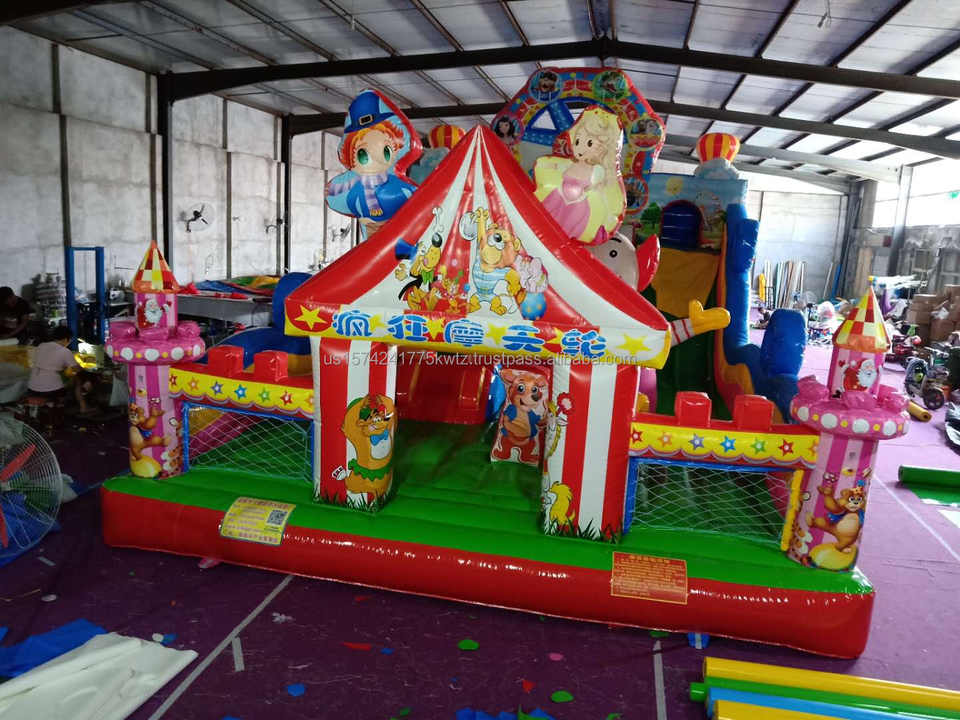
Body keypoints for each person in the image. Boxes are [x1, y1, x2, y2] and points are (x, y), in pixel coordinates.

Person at [534, 106, 626, 245]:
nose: (580, 149)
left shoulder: (597, 171)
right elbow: (551, 167)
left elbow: (603, 190)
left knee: (566, 232)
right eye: (577, 141)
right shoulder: (568, 164)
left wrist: (605, 218)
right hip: (557, 198)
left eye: (589, 143)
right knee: (544, 224)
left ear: (602, 148)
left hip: (577, 207)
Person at [27, 326, 95, 414]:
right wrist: (86, 370)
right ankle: (84, 407)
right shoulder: (64, 351)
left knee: (63, 378)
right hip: (51, 390)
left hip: (32, 388)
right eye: (70, 341)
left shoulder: (41, 345)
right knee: (78, 380)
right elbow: (77, 370)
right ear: (66, 339)